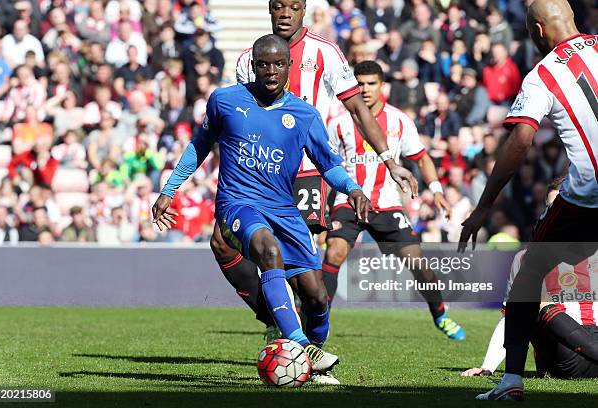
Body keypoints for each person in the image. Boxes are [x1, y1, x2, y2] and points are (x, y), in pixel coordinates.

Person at [153, 34, 375, 385]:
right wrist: (169, 189)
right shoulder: (225, 100)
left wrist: (354, 188)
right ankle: (302, 344)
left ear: (289, 66)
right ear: (252, 66)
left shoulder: (304, 114)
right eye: (264, 64)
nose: (271, 71)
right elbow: (200, 144)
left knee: (316, 293)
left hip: (284, 209)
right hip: (237, 203)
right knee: (267, 250)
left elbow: (328, 164)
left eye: (278, 64)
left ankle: (309, 359)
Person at [222, 0, 417, 344]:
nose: (285, 14)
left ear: (304, 11)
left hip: (309, 172)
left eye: (293, 7)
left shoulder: (326, 53)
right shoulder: (247, 60)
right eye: (279, 7)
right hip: (259, 174)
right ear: (270, 10)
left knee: (302, 271)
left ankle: (304, 344)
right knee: (222, 243)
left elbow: (358, 107)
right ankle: (273, 320)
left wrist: (390, 160)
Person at [459, 0, 598, 400]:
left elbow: (521, 139)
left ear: (537, 31)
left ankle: (511, 382)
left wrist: (484, 205)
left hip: (587, 197)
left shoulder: (543, 74)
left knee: (527, 278)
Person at [324, 61, 465, 340]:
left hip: (386, 203)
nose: (364, 89)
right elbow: (326, 164)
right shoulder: (339, 123)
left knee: (417, 262)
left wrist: (436, 189)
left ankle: (440, 315)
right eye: (360, 83)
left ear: (382, 86)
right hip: (348, 200)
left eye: (371, 83)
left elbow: (420, 157)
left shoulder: (399, 120)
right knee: (335, 252)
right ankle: (316, 323)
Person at [462, 181, 598, 379]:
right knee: (531, 302)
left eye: (568, 207)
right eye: (554, 207)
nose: (562, 214)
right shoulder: (525, 258)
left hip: (592, 346)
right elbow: (511, 317)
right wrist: (488, 366)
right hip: (563, 358)